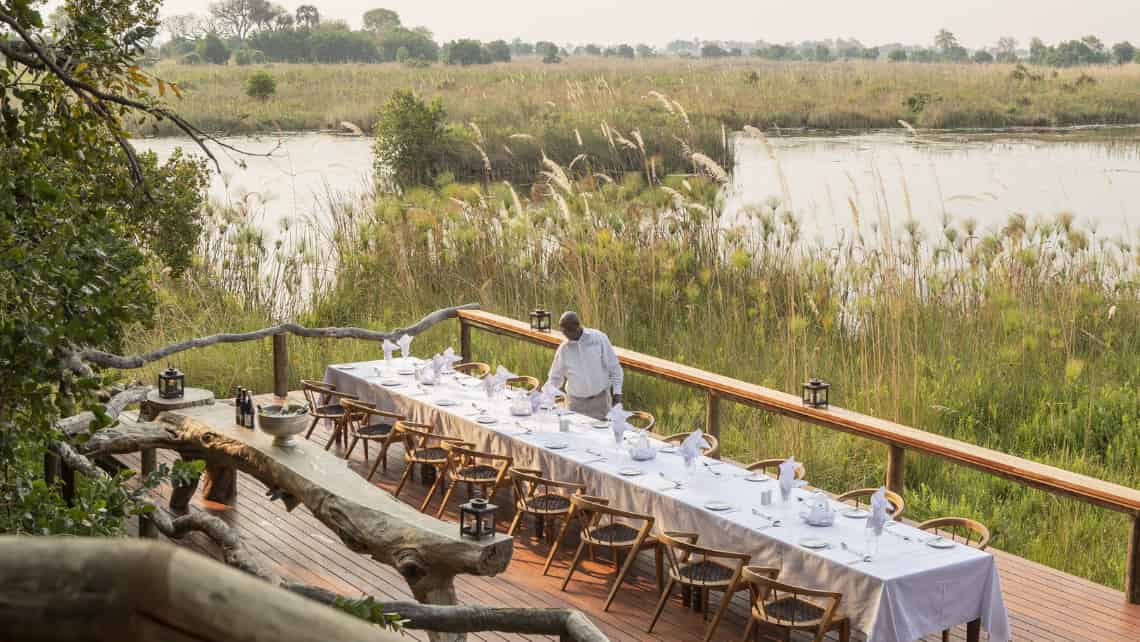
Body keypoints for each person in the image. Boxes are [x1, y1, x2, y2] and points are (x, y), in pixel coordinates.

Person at [545, 311, 623, 420]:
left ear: (577, 326)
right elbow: (555, 378)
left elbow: (615, 368)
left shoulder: (598, 339)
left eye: (568, 331)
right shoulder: (564, 349)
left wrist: (617, 395)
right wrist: (544, 397)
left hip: (600, 402)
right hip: (575, 404)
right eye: (563, 332)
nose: (566, 336)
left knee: (602, 436)